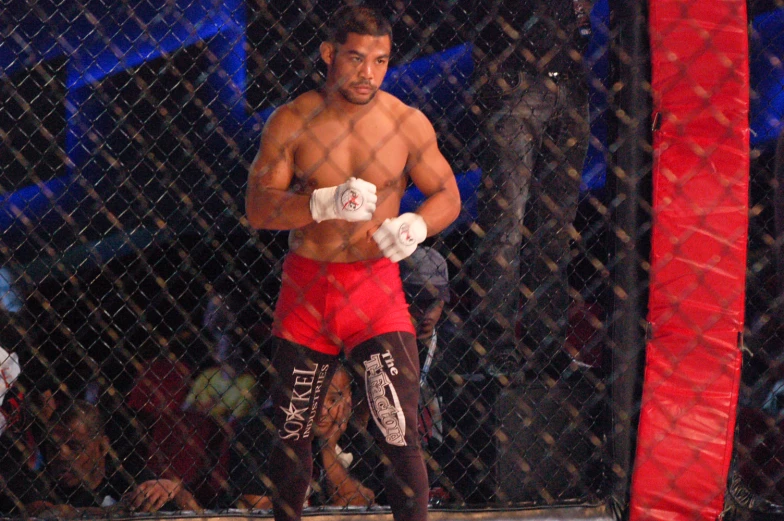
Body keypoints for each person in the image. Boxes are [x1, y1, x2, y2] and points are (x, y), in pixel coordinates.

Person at [244, 5, 461, 520]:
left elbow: (447, 194)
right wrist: (318, 204)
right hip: (308, 289)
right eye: (357, 58)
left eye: (381, 61)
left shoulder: (405, 123)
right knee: (293, 433)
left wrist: (416, 226)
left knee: (398, 429)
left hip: (374, 290)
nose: (369, 73)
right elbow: (257, 207)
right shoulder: (292, 121)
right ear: (329, 55)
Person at [468, 0, 594, 377]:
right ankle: (496, 347)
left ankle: (548, 345)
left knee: (555, 226)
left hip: (568, 81)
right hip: (514, 75)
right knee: (506, 223)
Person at [229, 364, 382, 511]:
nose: (322, 412)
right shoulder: (259, 428)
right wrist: (332, 512)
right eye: (314, 400)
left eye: (332, 400)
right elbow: (261, 509)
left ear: (348, 400)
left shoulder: (354, 434)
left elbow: (360, 504)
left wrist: (328, 449)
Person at [21, 399, 201, 518]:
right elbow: (47, 512)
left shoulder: (126, 476)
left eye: (75, 447)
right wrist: (112, 514)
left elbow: (194, 510)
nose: (61, 455)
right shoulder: (40, 482)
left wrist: (173, 490)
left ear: (102, 447)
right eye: (53, 448)